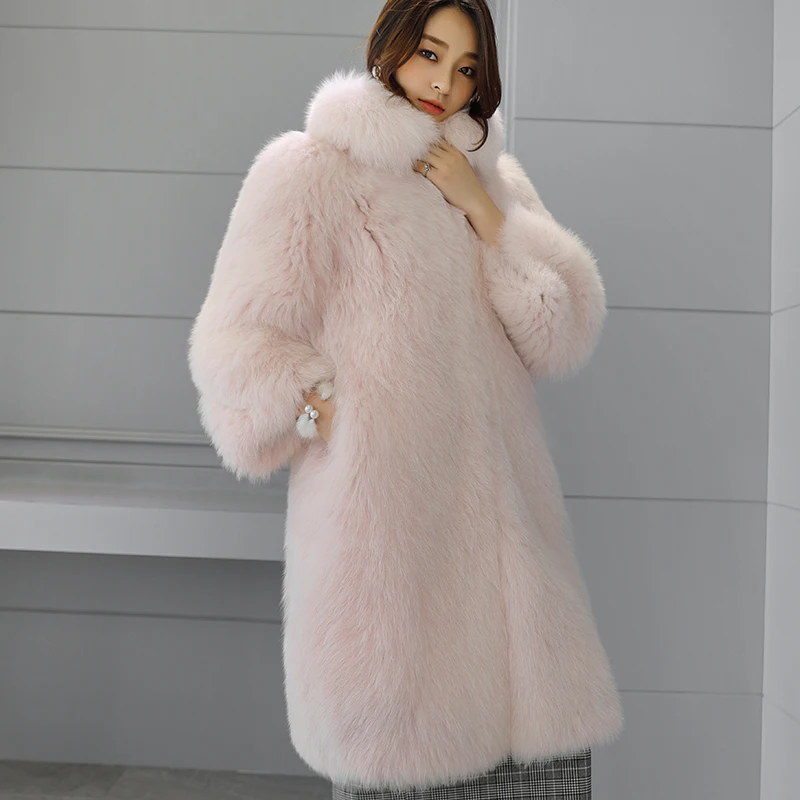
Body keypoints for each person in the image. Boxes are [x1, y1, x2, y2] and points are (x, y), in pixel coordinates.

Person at [187, 1, 623, 797]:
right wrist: (329, 413)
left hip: (509, 569)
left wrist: (481, 207)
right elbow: (235, 346)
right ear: (389, 44)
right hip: (389, 554)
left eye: (466, 68)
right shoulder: (310, 170)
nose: (443, 83)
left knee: (544, 763)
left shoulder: (494, 178)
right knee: (401, 750)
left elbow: (560, 328)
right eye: (429, 53)